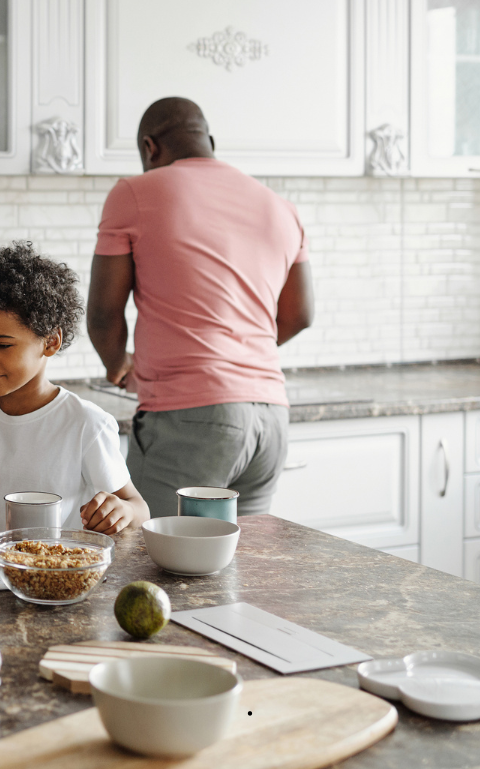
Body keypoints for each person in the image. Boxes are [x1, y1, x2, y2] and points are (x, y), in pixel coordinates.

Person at [86, 97, 314, 518]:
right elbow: (300, 315)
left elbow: (103, 313)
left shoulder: (135, 193)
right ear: (208, 140)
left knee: (149, 559)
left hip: (190, 416)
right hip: (271, 419)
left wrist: (117, 365)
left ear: (150, 147)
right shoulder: (279, 206)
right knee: (242, 564)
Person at [0, 243, 150, 550]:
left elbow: (138, 507)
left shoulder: (86, 422)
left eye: (2, 345)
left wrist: (122, 511)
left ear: (51, 342)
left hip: (56, 575)